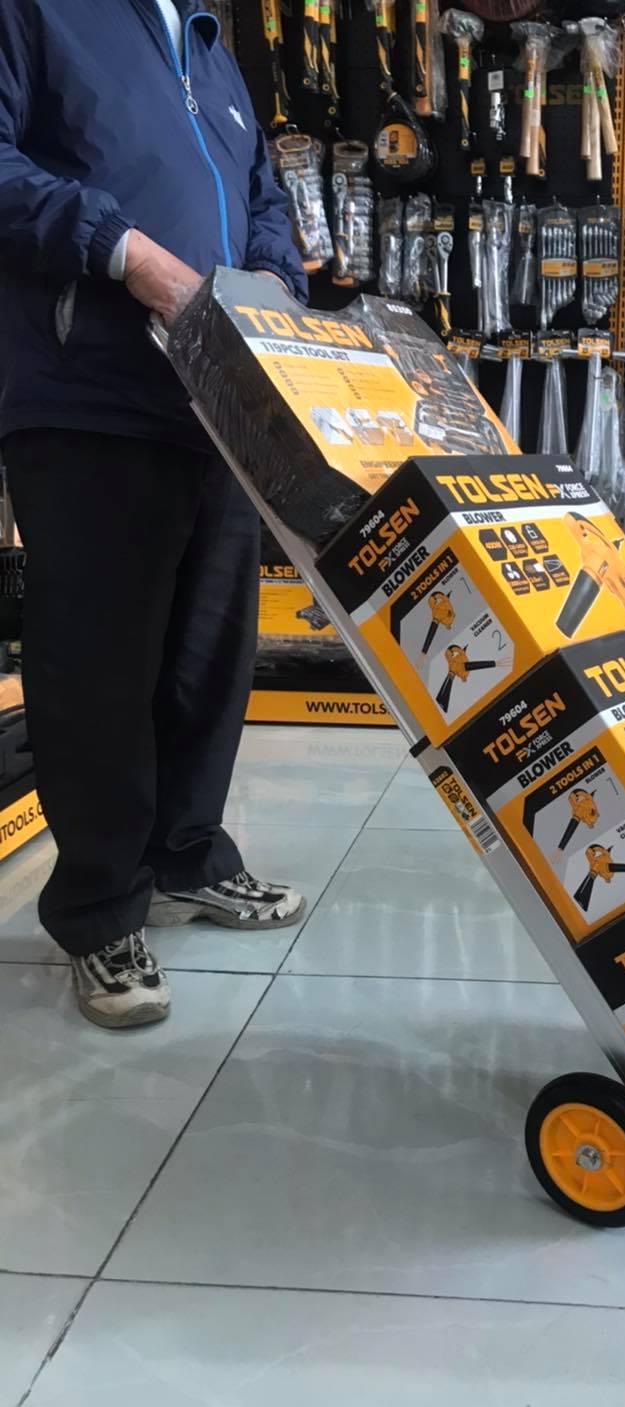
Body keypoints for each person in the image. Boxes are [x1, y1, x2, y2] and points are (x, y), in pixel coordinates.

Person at [0, 0, 310, 1029]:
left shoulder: (210, 42)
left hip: (219, 401)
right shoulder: (38, 13)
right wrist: (126, 251)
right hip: (90, 394)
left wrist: (272, 278)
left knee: (209, 655)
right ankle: (98, 909)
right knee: (99, 670)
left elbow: (261, 190)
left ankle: (188, 855)